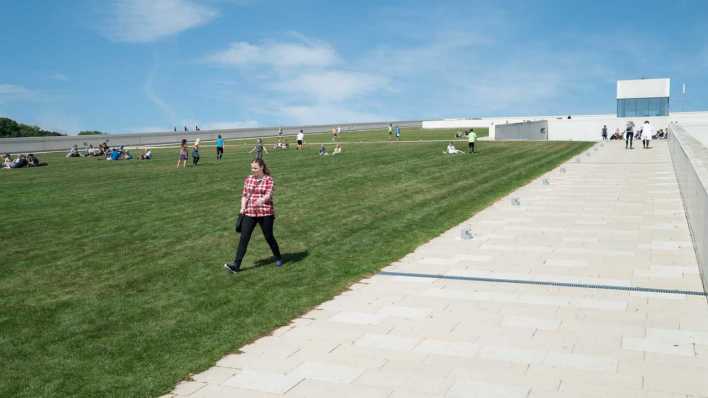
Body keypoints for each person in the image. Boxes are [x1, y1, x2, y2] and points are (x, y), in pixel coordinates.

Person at [225, 159, 283, 273]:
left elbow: (268, 194)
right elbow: (244, 195)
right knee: (244, 238)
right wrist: (242, 208)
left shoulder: (268, 180)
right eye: (252, 168)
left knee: (269, 236)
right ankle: (236, 265)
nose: (253, 170)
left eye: (255, 168)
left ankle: (278, 257)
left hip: (265, 212)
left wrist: (261, 200)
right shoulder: (248, 179)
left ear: (261, 167)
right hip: (250, 212)